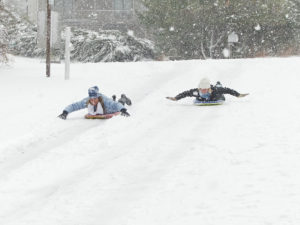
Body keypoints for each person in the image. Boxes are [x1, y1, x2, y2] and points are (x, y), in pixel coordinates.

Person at [58, 86, 131, 120]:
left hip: (112, 109)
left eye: (95, 98)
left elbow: (116, 105)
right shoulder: (87, 101)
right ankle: (113, 98)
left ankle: (123, 97)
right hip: (106, 107)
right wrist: (65, 112)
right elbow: (75, 106)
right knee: (113, 101)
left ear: (97, 97)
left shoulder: (104, 100)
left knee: (119, 103)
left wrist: (123, 110)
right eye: (91, 99)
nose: (92, 100)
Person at [166, 78, 249, 102]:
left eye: (205, 89)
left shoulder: (215, 90)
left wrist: (238, 95)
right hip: (203, 99)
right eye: (202, 89)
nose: (203, 91)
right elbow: (186, 93)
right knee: (199, 98)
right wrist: (176, 98)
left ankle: (218, 83)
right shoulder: (197, 92)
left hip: (217, 96)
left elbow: (228, 90)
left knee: (219, 89)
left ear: (209, 88)